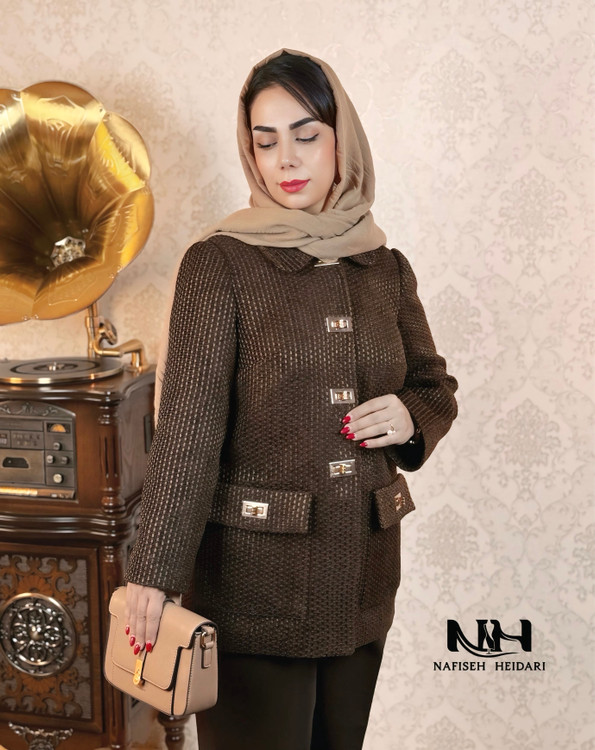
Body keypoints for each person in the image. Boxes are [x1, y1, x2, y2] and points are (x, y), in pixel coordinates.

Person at [124, 48, 458, 750]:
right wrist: (153, 575)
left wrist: (409, 416)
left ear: (342, 141)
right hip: (255, 590)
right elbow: (187, 434)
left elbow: (433, 385)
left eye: (306, 135)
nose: (286, 159)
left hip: (365, 581)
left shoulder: (383, 267)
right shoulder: (220, 264)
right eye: (265, 141)